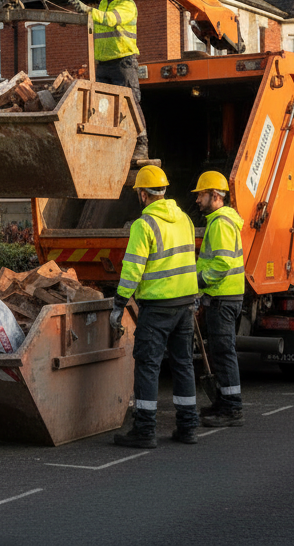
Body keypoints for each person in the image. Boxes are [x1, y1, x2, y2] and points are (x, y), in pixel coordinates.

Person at [110, 165, 199, 447]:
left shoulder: (143, 225)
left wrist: (119, 304)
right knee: (183, 364)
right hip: (185, 306)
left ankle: (145, 430)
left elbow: (132, 269)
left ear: (142, 194)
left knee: (148, 366)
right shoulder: (184, 219)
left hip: (157, 307)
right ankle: (188, 428)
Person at [69, 0, 149, 161]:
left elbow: (110, 19)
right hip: (103, 64)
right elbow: (98, 21)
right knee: (102, 106)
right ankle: (108, 145)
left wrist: (88, 11)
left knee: (131, 104)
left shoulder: (127, 5)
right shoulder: (104, 4)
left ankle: (141, 145)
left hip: (123, 63)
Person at [192, 171, 246, 428]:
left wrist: (199, 282)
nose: (198, 200)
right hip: (223, 297)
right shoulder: (220, 221)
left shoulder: (221, 223)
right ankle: (225, 401)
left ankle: (232, 408)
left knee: (224, 353)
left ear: (215, 196)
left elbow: (222, 263)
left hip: (222, 298)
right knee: (220, 351)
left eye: (201, 195)